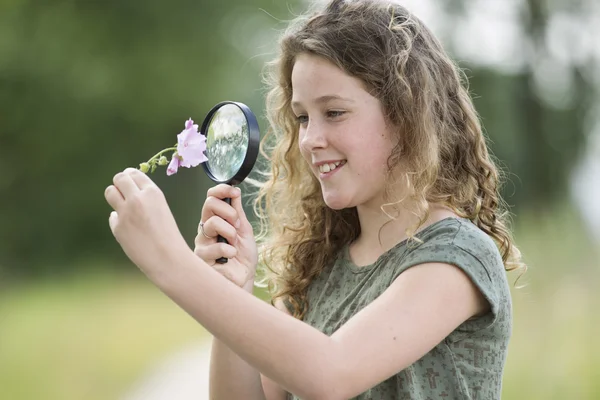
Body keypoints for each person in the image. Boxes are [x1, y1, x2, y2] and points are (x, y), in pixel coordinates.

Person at [104, 0, 525, 398]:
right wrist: (233, 289)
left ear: (405, 115)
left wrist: (169, 263)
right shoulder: (318, 265)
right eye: (303, 117)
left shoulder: (457, 256)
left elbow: (331, 373)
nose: (310, 139)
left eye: (334, 112)